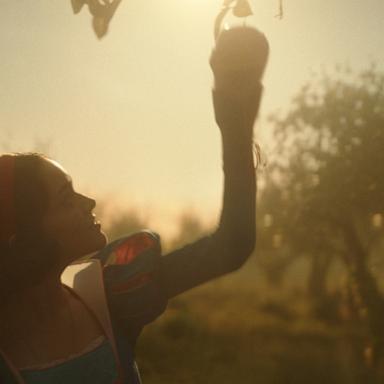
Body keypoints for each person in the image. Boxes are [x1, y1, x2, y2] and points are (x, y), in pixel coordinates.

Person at [0, 27, 268, 384]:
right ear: (22, 233)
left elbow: (233, 244)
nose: (89, 202)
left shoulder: (107, 292)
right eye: (67, 198)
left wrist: (235, 114)